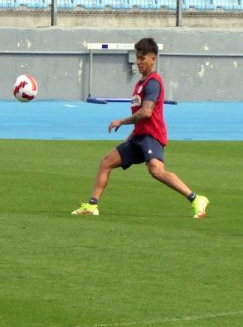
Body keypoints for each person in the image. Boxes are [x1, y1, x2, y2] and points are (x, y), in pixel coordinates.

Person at [71, 38, 209, 219]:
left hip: (152, 136)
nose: (138, 62)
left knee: (156, 170)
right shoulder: (140, 84)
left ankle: (196, 199)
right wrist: (131, 137)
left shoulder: (153, 82)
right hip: (139, 137)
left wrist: (121, 122)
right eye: (137, 58)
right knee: (106, 162)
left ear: (153, 59)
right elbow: (141, 119)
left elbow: (146, 113)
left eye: (143, 58)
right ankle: (92, 205)